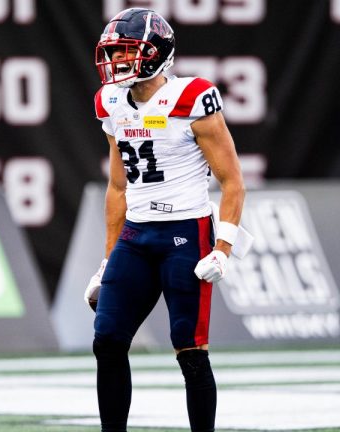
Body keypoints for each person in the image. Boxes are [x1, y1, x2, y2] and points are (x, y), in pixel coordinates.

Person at [84, 8, 245, 432]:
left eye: (127, 52)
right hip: (136, 237)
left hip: (185, 233)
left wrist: (223, 248)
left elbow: (232, 182)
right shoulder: (111, 103)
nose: (117, 63)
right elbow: (118, 188)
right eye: (114, 53)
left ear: (157, 54)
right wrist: (106, 260)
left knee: (190, 351)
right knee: (108, 342)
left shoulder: (192, 97)